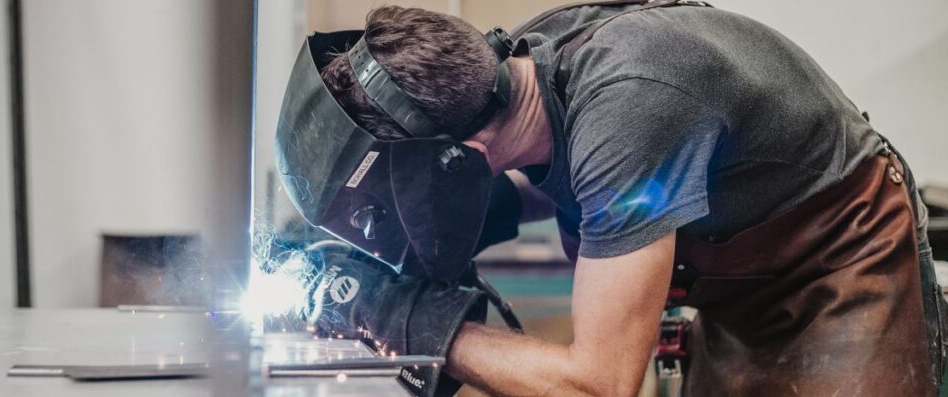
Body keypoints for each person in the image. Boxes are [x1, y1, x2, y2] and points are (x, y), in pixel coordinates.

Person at [277, 2, 947, 396]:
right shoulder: (525, 74)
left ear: (461, 156)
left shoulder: (625, 109)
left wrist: (399, 314)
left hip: (841, 263)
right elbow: (586, 185)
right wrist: (399, 248)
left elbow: (597, 382)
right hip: (740, 298)